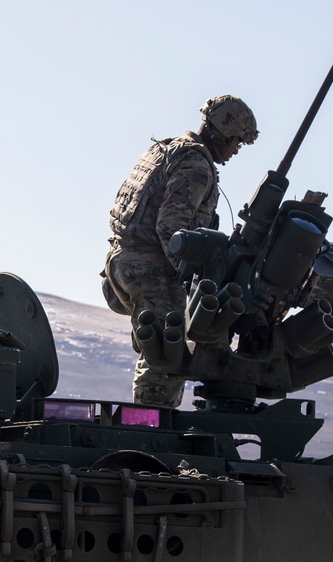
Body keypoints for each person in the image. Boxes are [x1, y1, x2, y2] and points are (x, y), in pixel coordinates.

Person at [101, 95, 258, 407]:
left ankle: (149, 421)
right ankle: (153, 426)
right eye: (236, 142)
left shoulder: (166, 149)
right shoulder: (196, 165)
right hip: (151, 267)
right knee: (166, 355)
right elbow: (171, 227)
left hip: (121, 262)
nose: (235, 151)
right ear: (222, 134)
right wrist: (191, 275)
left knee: (156, 347)